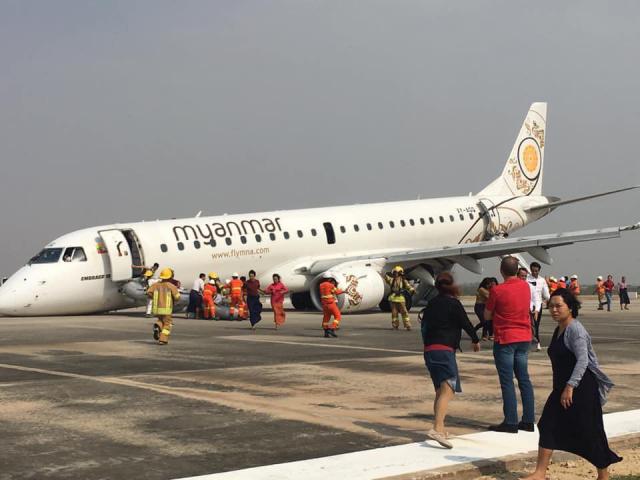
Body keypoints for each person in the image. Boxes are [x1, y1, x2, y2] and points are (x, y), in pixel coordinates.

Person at [523, 289, 622, 480]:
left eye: (558, 306)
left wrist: (570, 387)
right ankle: (540, 473)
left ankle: (604, 475)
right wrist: (563, 388)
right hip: (562, 388)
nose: (553, 310)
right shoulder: (559, 329)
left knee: (590, 430)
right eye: (551, 306)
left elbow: (582, 360)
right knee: (547, 424)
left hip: (581, 388)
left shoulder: (575, 330)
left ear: (570, 307)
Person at [422, 272, 480, 449]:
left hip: (430, 350)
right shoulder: (453, 303)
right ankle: (436, 429)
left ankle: (441, 428)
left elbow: (424, 327)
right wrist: (475, 339)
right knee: (449, 390)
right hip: (444, 350)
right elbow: (465, 322)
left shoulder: (431, 304)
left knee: (441, 390)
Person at [485, 256, 535, 433]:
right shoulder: (526, 286)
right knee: (524, 379)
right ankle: (529, 420)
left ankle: (511, 421)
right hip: (524, 337)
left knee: (507, 381)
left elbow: (487, 315)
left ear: (501, 271)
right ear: (517, 270)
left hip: (506, 338)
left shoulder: (497, 290)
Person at [146, 268, 181, 345]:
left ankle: (157, 326)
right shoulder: (171, 286)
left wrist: (154, 297)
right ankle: (163, 339)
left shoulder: (155, 285)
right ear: (170, 277)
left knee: (161, 320)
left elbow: (148, 293)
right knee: (167, 324)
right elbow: (177, 297)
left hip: (157, 308)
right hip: (167, 309)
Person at [384, 266, 416, 330]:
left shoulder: (403, 281)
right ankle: (395, 325)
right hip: (393, 299)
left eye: (396, 272)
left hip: (400, 298)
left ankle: (407, 325)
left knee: (404, 312)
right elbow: (387, 278)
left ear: (400, 273)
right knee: (394, 313)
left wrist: (412, 290)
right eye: (394, 272)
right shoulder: (392, 280)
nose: (395, 274)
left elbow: (408, 286)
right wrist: (383, 274)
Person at [528, 262, 550, 352]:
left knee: (536, 325)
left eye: (536, 271)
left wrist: (550, 299)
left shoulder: (542, 280)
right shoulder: (527, 279)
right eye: (533, 271)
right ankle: (532, 342)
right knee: (529, 325)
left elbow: (546, 294)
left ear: (539, 270)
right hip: (528, 305)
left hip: (538, 305)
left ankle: (537, 342)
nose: (534, 272)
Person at [318, 272, 344, 338]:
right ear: (329, 279)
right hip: (331, 304)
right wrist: (343, 291)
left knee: (326, 318)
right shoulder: (330, 285)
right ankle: (332, 328)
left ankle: (326, 332)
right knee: (338, 316)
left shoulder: (321, 285)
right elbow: (337, 292)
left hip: (324, 305)